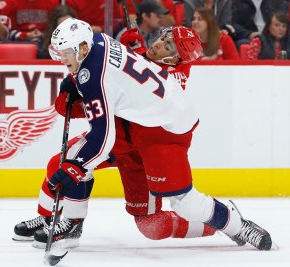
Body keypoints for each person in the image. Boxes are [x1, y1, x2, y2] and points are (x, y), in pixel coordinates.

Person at [16, 18, 276, 252]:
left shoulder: (176, 76)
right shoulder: (128, 56)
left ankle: (231, 223)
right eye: (163, 39)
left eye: (169, 48)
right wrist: (125, 55)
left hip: (157, 143)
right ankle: (60, 220)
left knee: (162, 220)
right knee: (65, 161)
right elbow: (118, 79)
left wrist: (94, 78)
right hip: (123, 136)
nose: (158, 45)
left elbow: (109, 101)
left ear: (178, 59)